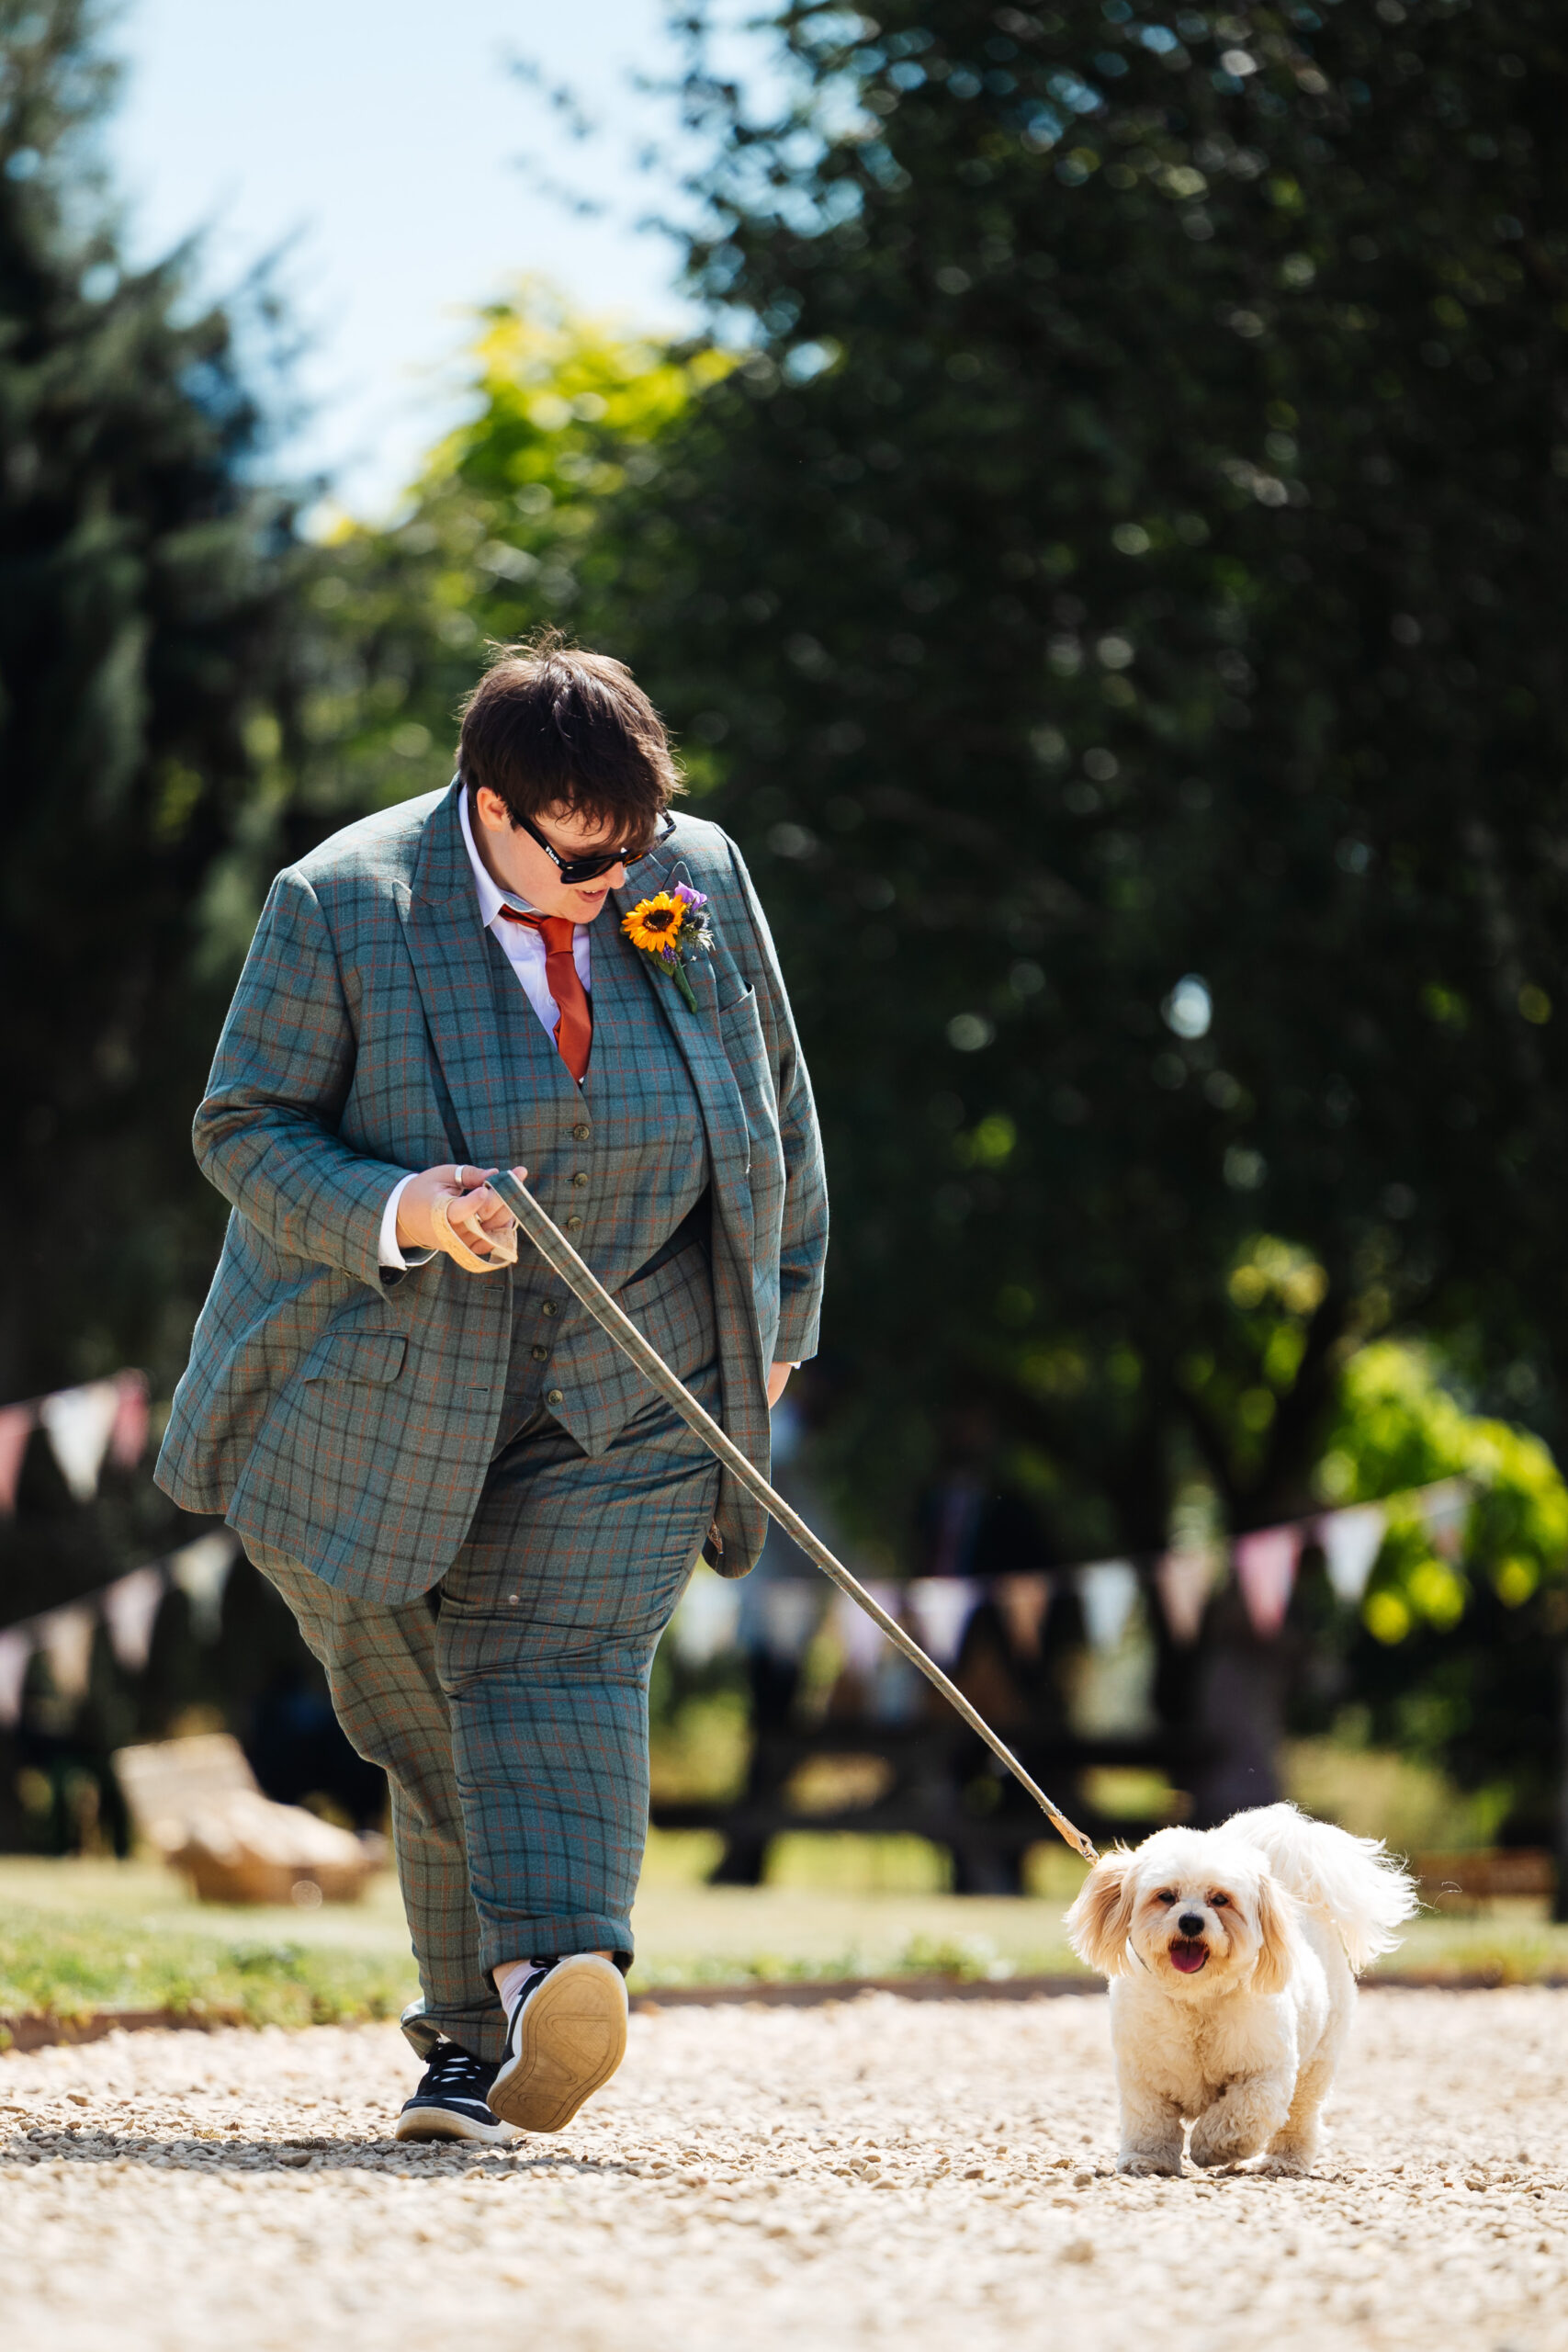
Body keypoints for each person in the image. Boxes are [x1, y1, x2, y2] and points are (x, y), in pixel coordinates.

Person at [156, 634, 828, 2143]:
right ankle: (486, 2030)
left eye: (632, 859)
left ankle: (554, 1972)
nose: (613, 891)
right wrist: (403, 1206)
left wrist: (780, 1312)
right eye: (581, 867)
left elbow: (778, 1098)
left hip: (641, 1374)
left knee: (557, 1659)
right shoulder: (338, 904)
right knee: (421, 1718)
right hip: (366, 1381)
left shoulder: (697, 876)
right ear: (493, 806)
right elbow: (243, 1126)